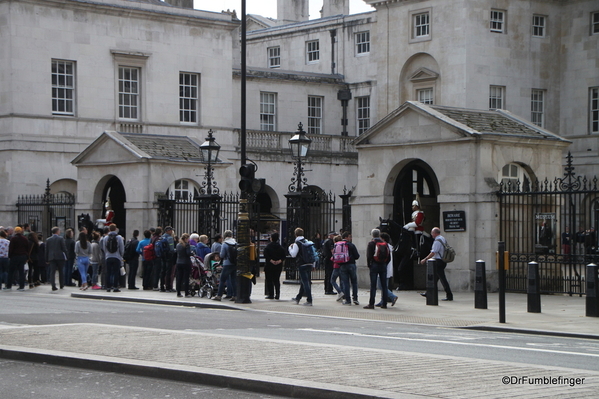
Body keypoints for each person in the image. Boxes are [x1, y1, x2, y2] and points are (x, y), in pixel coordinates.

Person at [420, 227, 453, 301]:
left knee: (442, 279)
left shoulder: (437, 241)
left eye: (432, 233)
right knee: (434, 279)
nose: (431, 235)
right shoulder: (442, 238)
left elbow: (433, 252)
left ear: (435, 233)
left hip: (438, 262)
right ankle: (428, 292)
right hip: (442, 261)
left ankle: (449, 295)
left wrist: (425, 259)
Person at [289, 227, 315, 306]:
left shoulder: (297, 243)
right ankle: (298, 298)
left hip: (302, 264)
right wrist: (313, 264)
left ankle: (309, 300)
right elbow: (313, 253)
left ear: (295, 234)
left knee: (305, 282)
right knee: (303, 282)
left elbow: (293, 254)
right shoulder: (307, 242)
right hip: (309, 263)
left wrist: (290, 248)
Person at [364, 228, 389, 309]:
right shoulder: (385, 243)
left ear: (372, 235)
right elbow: (389, 257)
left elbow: (369, 256)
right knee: (384, 285)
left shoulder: (371, 243)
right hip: (383, 265)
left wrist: (369, 265)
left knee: (373, 286)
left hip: (374, 265)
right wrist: (385, 263)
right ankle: (384, 303)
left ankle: (371, 304)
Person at [337, 231, 360, 306]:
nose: (351, 238)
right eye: (350, 236)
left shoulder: (338, 245)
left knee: (346, 283)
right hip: (351, 265)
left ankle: (347, 300)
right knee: (354, 282)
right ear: (346, 237)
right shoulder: (351, 245)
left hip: (342, 265)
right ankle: (355, 298)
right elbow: (357, 256)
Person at [213, 230, 237, 301]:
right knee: (233, 280)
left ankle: (219, 295)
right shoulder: (235, 243)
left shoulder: (225, 244)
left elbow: (222, 255)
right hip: (234, 263)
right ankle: (235, 295)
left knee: (222, 279)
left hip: (227, 263)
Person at [376, 232, 398, 307]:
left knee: (381, 286)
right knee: (384, 286)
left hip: (383, 269)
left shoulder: (383, 247)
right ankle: (383, 300)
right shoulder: (389, 247)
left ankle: (392, 296)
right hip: (388, 269)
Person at [263, 232, 286, 300]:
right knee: (276, 280)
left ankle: (271, 294)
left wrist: (271, 260)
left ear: (271, 239)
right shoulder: (280, 247)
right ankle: (277, 294)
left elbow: (266, 255)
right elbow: (283, 256)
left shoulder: (268, 247)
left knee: (269, 280)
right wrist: (279, 261)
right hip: (278, 266)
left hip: (269, 265)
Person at [102, 224, 124, 292]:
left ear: (109, 229)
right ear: (115, 229)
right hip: (116, 257)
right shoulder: (119, 237)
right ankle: (115, 287)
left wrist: (107, 254)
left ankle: (108, 287)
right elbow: (121, 248)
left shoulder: (106, 238)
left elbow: (104, 248)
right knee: (116, 272)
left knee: (108, 272)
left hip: (108, 257)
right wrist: (121, 255)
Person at [7, 226, 29, 291]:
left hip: (14, 256)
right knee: (21, 271)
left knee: (11, 271)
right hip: (23, 256)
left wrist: (10, 256)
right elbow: (27, 248)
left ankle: (9, 285)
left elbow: (11, 248)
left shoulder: (13, 238)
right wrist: (27, 257)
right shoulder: (24, 239)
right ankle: (21, 286)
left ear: (15, 231)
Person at [45, 226, 67, 291]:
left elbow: (47, 250)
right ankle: (61, 284)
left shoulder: (48, 239)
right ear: (57, 231)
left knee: (52, 272)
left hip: (51, 257)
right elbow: (64, 248)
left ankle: (53, 285)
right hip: (60, 257)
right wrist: (66, 256)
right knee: (61, 271)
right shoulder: (61, 239)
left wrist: (46, 259)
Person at [175, 233, 192, 298]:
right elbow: (188, 253)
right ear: (185, 239)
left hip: (179, 262)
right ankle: (186, 293)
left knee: (179, 278)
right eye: (188, 239)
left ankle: (178, 292)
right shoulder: (186, 245)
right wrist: (192, 253)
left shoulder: (178, 245)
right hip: (186, 263)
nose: (188, 240)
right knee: (186, 278)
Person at [321, 231, 337, 295]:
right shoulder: (330, 242)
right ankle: (329, 289)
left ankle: (327, 289)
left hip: (326, 259)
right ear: (331, 235)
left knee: (327, 275)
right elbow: (332, 251)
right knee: (330, 275)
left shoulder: (325, 241)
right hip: (329, 259)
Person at [161, 226, 176, 293]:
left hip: (162, 256)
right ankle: (168, 287)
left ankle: (162, 286)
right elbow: (172, 249)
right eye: (171, 230)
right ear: (168, 231)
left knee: (163, 271)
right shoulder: (170, 238)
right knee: (168, 272)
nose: (171, 232)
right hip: (169, 256)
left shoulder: (162, 237)